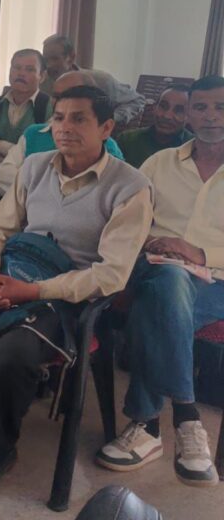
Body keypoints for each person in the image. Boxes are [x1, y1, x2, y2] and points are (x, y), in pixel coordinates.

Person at [0, 85, 152, 495]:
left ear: (106, 127)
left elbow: (110, 276)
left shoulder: (130, 186)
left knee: (11, 354)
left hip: (66, 296)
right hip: (12, 270)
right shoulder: (35, 166)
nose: (64, 128)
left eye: (79, 119)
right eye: (59, 118)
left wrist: (32, 292)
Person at [96, 76, 224, 487]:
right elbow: (128, 219)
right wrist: (148, 243)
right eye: (200, 107)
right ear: (188, 115)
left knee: (157, 305)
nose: (211, 116)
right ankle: (186, 415)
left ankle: (147, 425)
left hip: (218, 282)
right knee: (168, 280)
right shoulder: (159, 164)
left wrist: (199, 253)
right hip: (155, 265)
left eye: (220, 107)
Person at [0, 71, 125, 196]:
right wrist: (44, 198)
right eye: (56, 96)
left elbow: (104, 193)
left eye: (71, 95)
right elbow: (3, 176)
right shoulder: (34, 134)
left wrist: (33, 188)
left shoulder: (107, 147)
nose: (61, 102)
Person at [40, 34, 144, 126]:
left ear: (71, 58)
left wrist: (110, 118)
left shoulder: (101, 81)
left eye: (55, 59)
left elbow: (136, 100)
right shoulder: (41, 84)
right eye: (45, 60)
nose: (49, 65)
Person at [0, 49, 48, 167]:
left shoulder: (52, 110)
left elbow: (43, 154)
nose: (21, 73)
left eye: (29, 69)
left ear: (42, 76)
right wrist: (8, 164)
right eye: (16, 67)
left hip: (35, 176)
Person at [116, 85, 193, 168]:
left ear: (189, 116)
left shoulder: (194, 148)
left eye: (179, 110)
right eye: (163, 106)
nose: (167, 116)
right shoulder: (127, 140)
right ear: (154, 107)